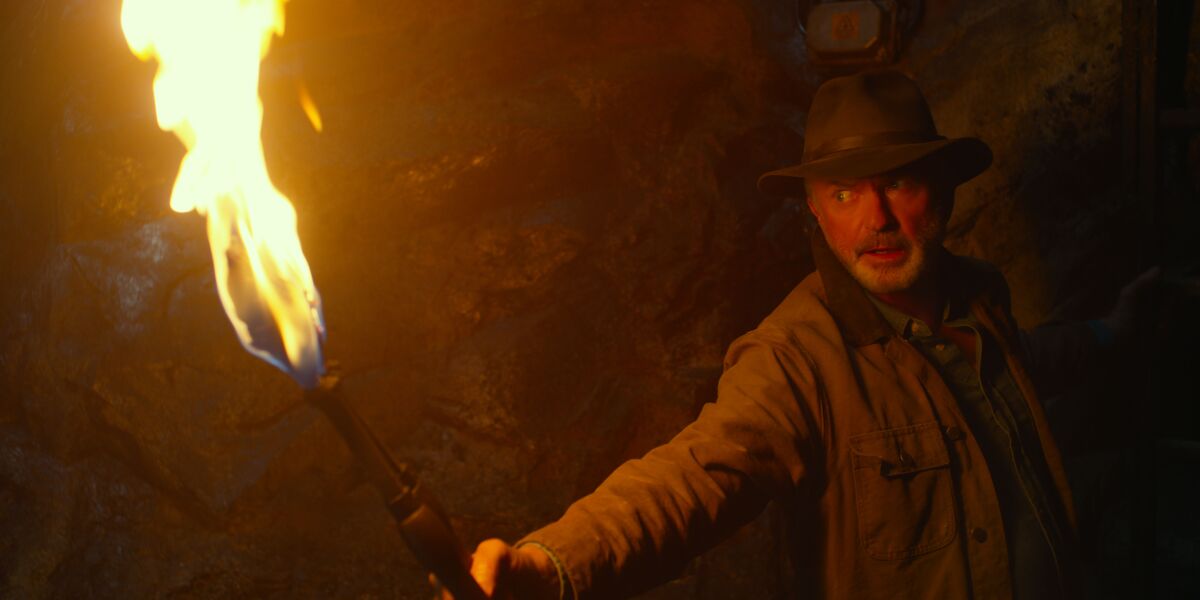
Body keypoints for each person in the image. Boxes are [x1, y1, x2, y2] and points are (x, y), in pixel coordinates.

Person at [449, 70, 1159, 600]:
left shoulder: (979, 297)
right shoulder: (797, 357)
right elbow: (697, 473)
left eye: (900, 183)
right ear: (815, 212)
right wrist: (553, 566)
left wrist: (1113, 332)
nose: (875, 217)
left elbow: (1024, 364)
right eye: (845, 193)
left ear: (941, 192)